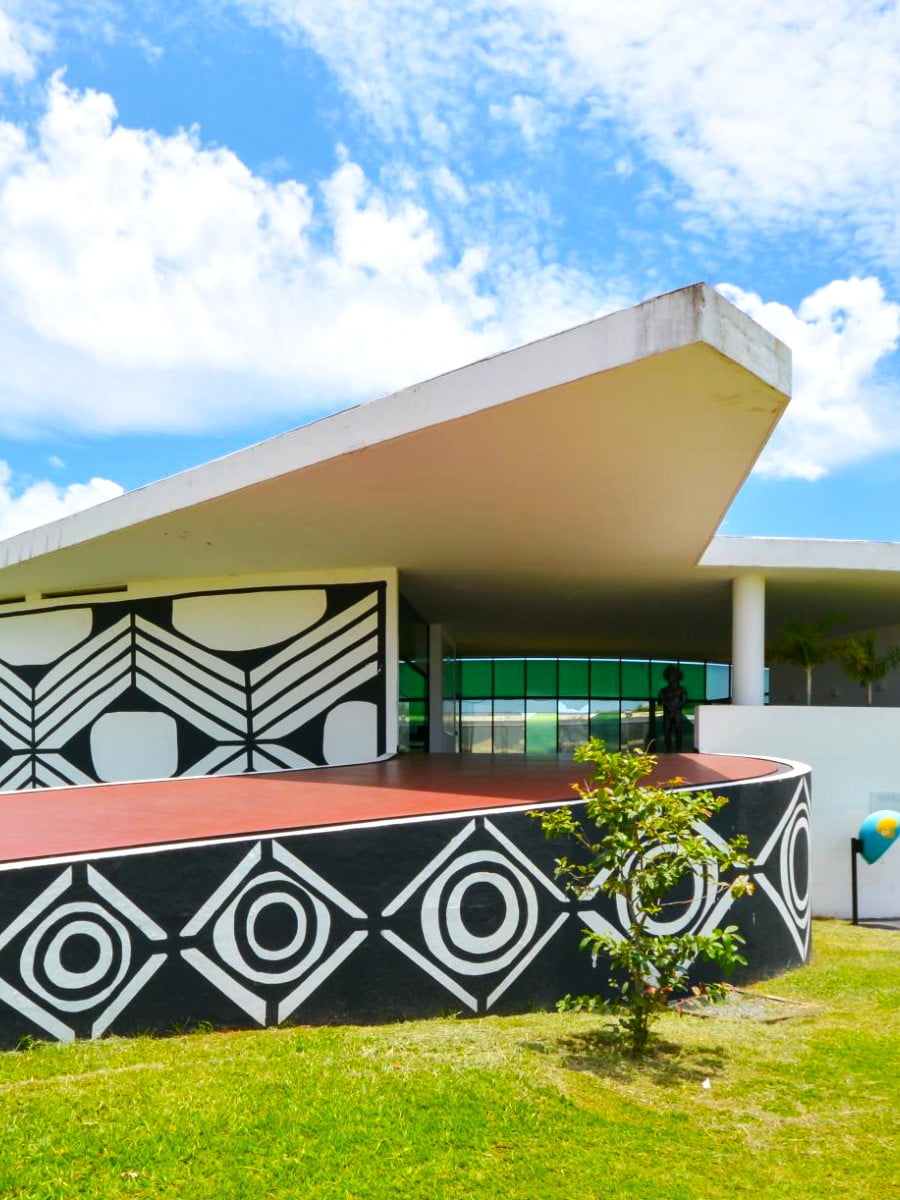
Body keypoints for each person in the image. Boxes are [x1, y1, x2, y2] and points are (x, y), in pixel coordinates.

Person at [658, 664, 688, 753]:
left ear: (677, 677)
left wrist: (674, 708)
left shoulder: (681, 689)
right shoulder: (663, 690)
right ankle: (668, 750)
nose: (671, 677)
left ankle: (678, 750)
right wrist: (660, 697)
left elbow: (684, 701)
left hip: (677, 714)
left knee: (678, 732)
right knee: (667, 732)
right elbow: (659, 703)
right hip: (667, 714)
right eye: (670, 675)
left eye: (673, 675)